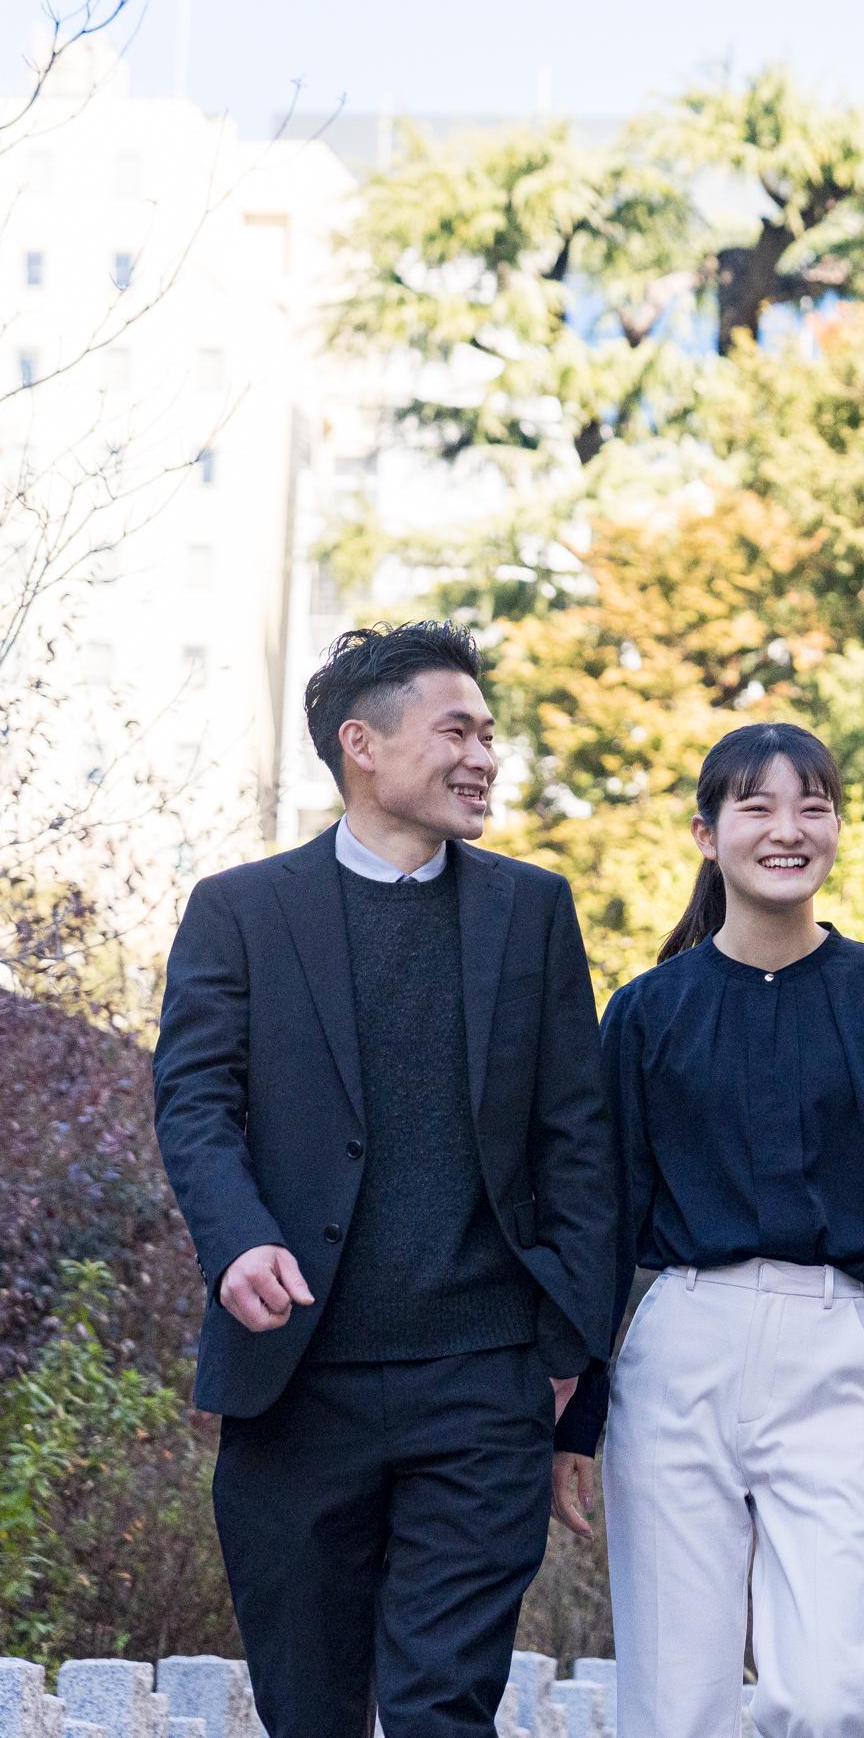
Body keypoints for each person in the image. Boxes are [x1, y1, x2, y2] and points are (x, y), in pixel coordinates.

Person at [150, 624, 618, 1738]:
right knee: (310, 1712)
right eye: (458, 732)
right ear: (361, 744)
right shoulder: (241, 910)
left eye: (489, 736)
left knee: (440, 1709)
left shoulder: (532, 910)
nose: (484, 758)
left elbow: (579, 1143)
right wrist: (237, 1238)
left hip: (484, 1381)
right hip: (295, 1380)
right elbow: (194, 1100)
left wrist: (569, 1352)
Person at [548, 722, 864, 1738]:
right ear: (706, 835)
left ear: (839, 827)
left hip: (835, 1344)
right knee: (675, 1707)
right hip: (680, 1346)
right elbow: (600, 1221)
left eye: (813, 805)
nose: (787, 829)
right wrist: (576, 1413)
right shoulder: (646, 1013)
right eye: (756, 807)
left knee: (831, 1697)